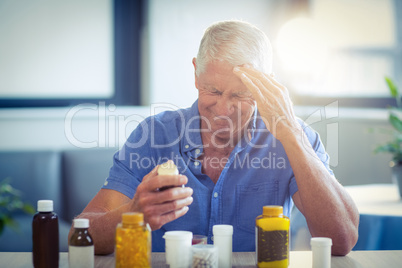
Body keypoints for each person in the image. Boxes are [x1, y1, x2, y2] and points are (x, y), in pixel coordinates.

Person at [70, 20, 359, 255]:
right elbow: (80, 236)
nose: (223, 109)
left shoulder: (294, 139)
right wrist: (134, 214)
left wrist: (292, 135)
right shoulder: (153, 135)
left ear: (268, 85)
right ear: (196, 73)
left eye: (240, 94)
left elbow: (342, 238)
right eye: (213, 91)